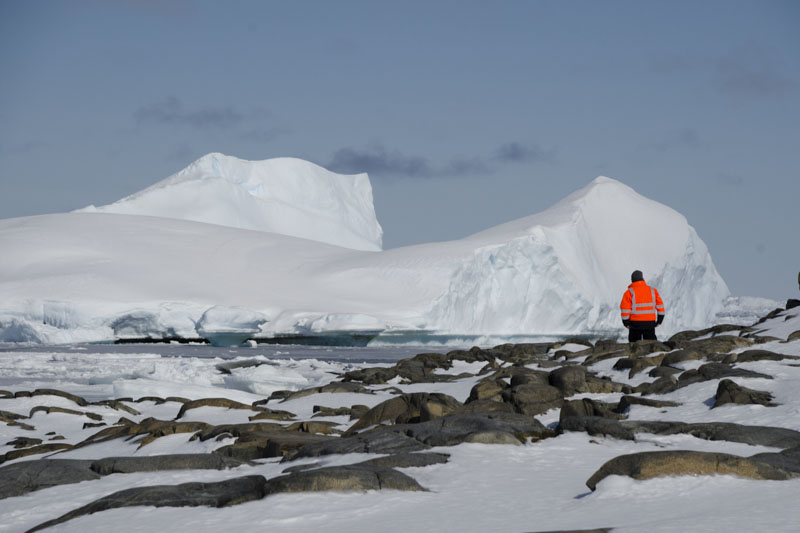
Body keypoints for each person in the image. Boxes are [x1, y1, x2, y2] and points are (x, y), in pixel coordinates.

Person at [620, 270, 665, 342]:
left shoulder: (629, 292)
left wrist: (626, 322)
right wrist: (660, 320)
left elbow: (625, 309)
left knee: (634, 346)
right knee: (651, 345)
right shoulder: (652, 291)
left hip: (635, 324)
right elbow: (660, 306)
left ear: (632, 280)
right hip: (650, 323)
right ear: (642, 279)